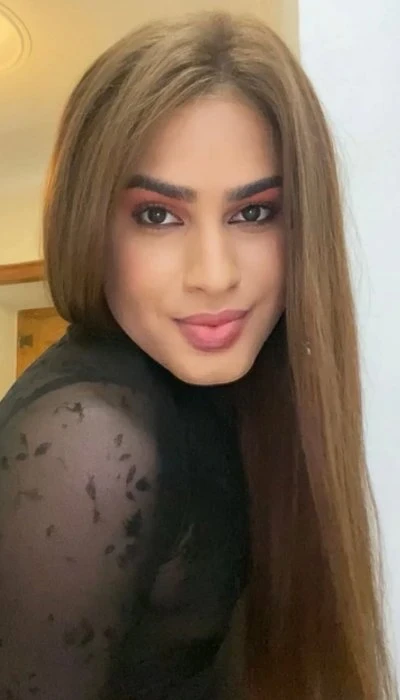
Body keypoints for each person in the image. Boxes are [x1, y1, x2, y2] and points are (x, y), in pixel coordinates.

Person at [0, 10, 396, 700]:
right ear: (90, 224)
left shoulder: (242, 391)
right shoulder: (86, 442)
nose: (214, 275)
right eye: (157, 215)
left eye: (253, 213)